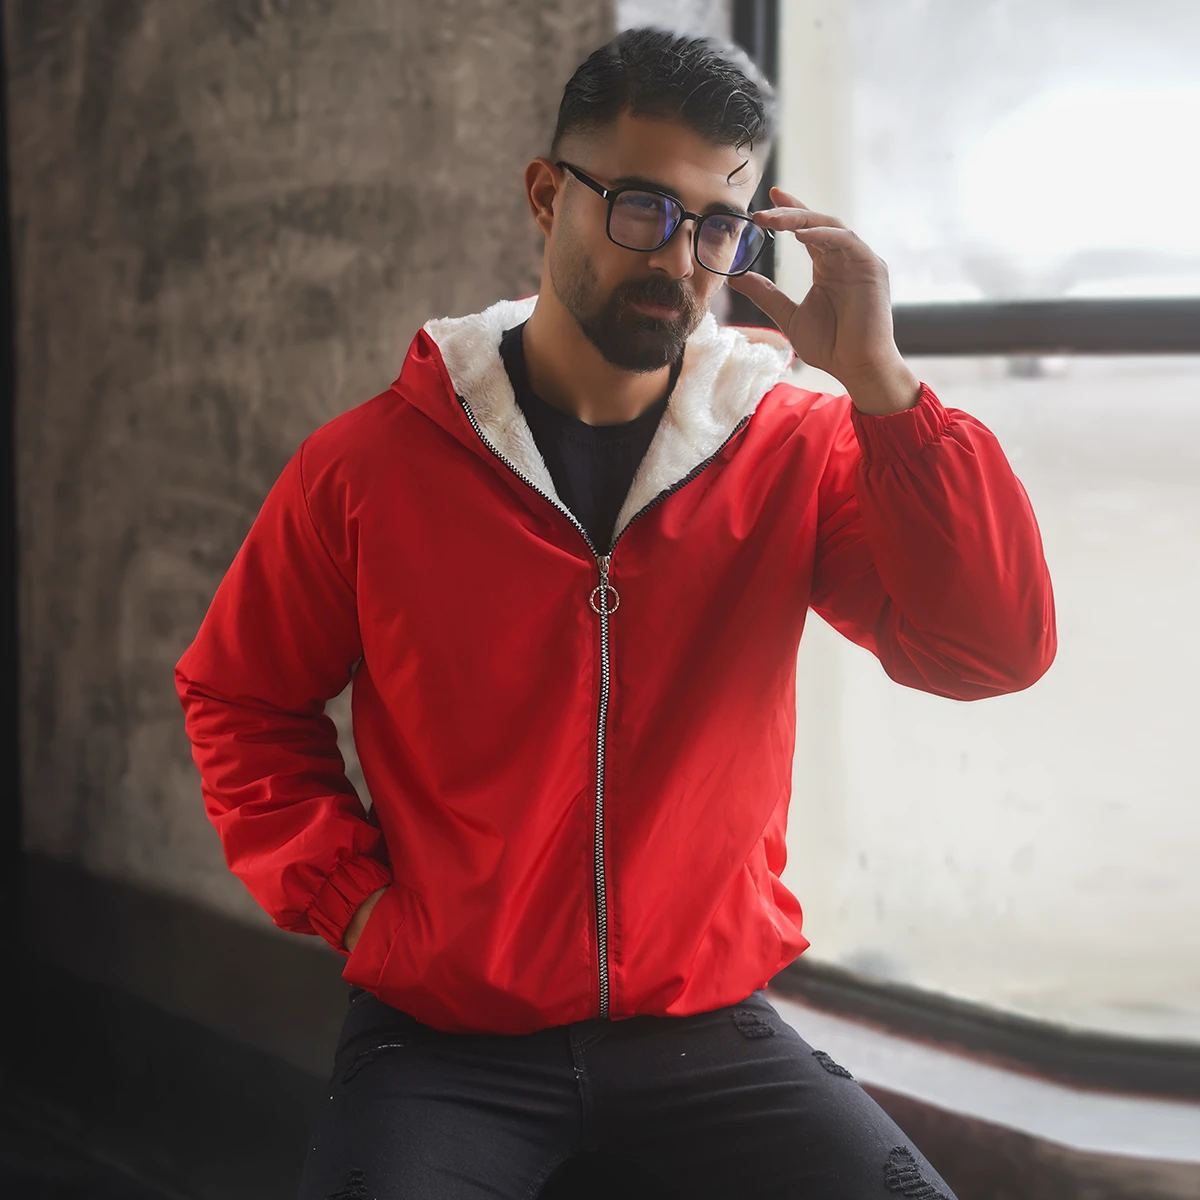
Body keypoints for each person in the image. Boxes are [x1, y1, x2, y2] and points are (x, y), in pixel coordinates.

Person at [175, 26, 1056, 1200]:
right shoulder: (370, 467)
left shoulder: (795, 450)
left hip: (702, 1021)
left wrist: (886, 391)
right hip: (445, 1030)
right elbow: (239, 695)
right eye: (643, 207)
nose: (681, 259)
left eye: (718, 225)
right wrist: (358, 905)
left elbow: (988, 650)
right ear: (548, 197)